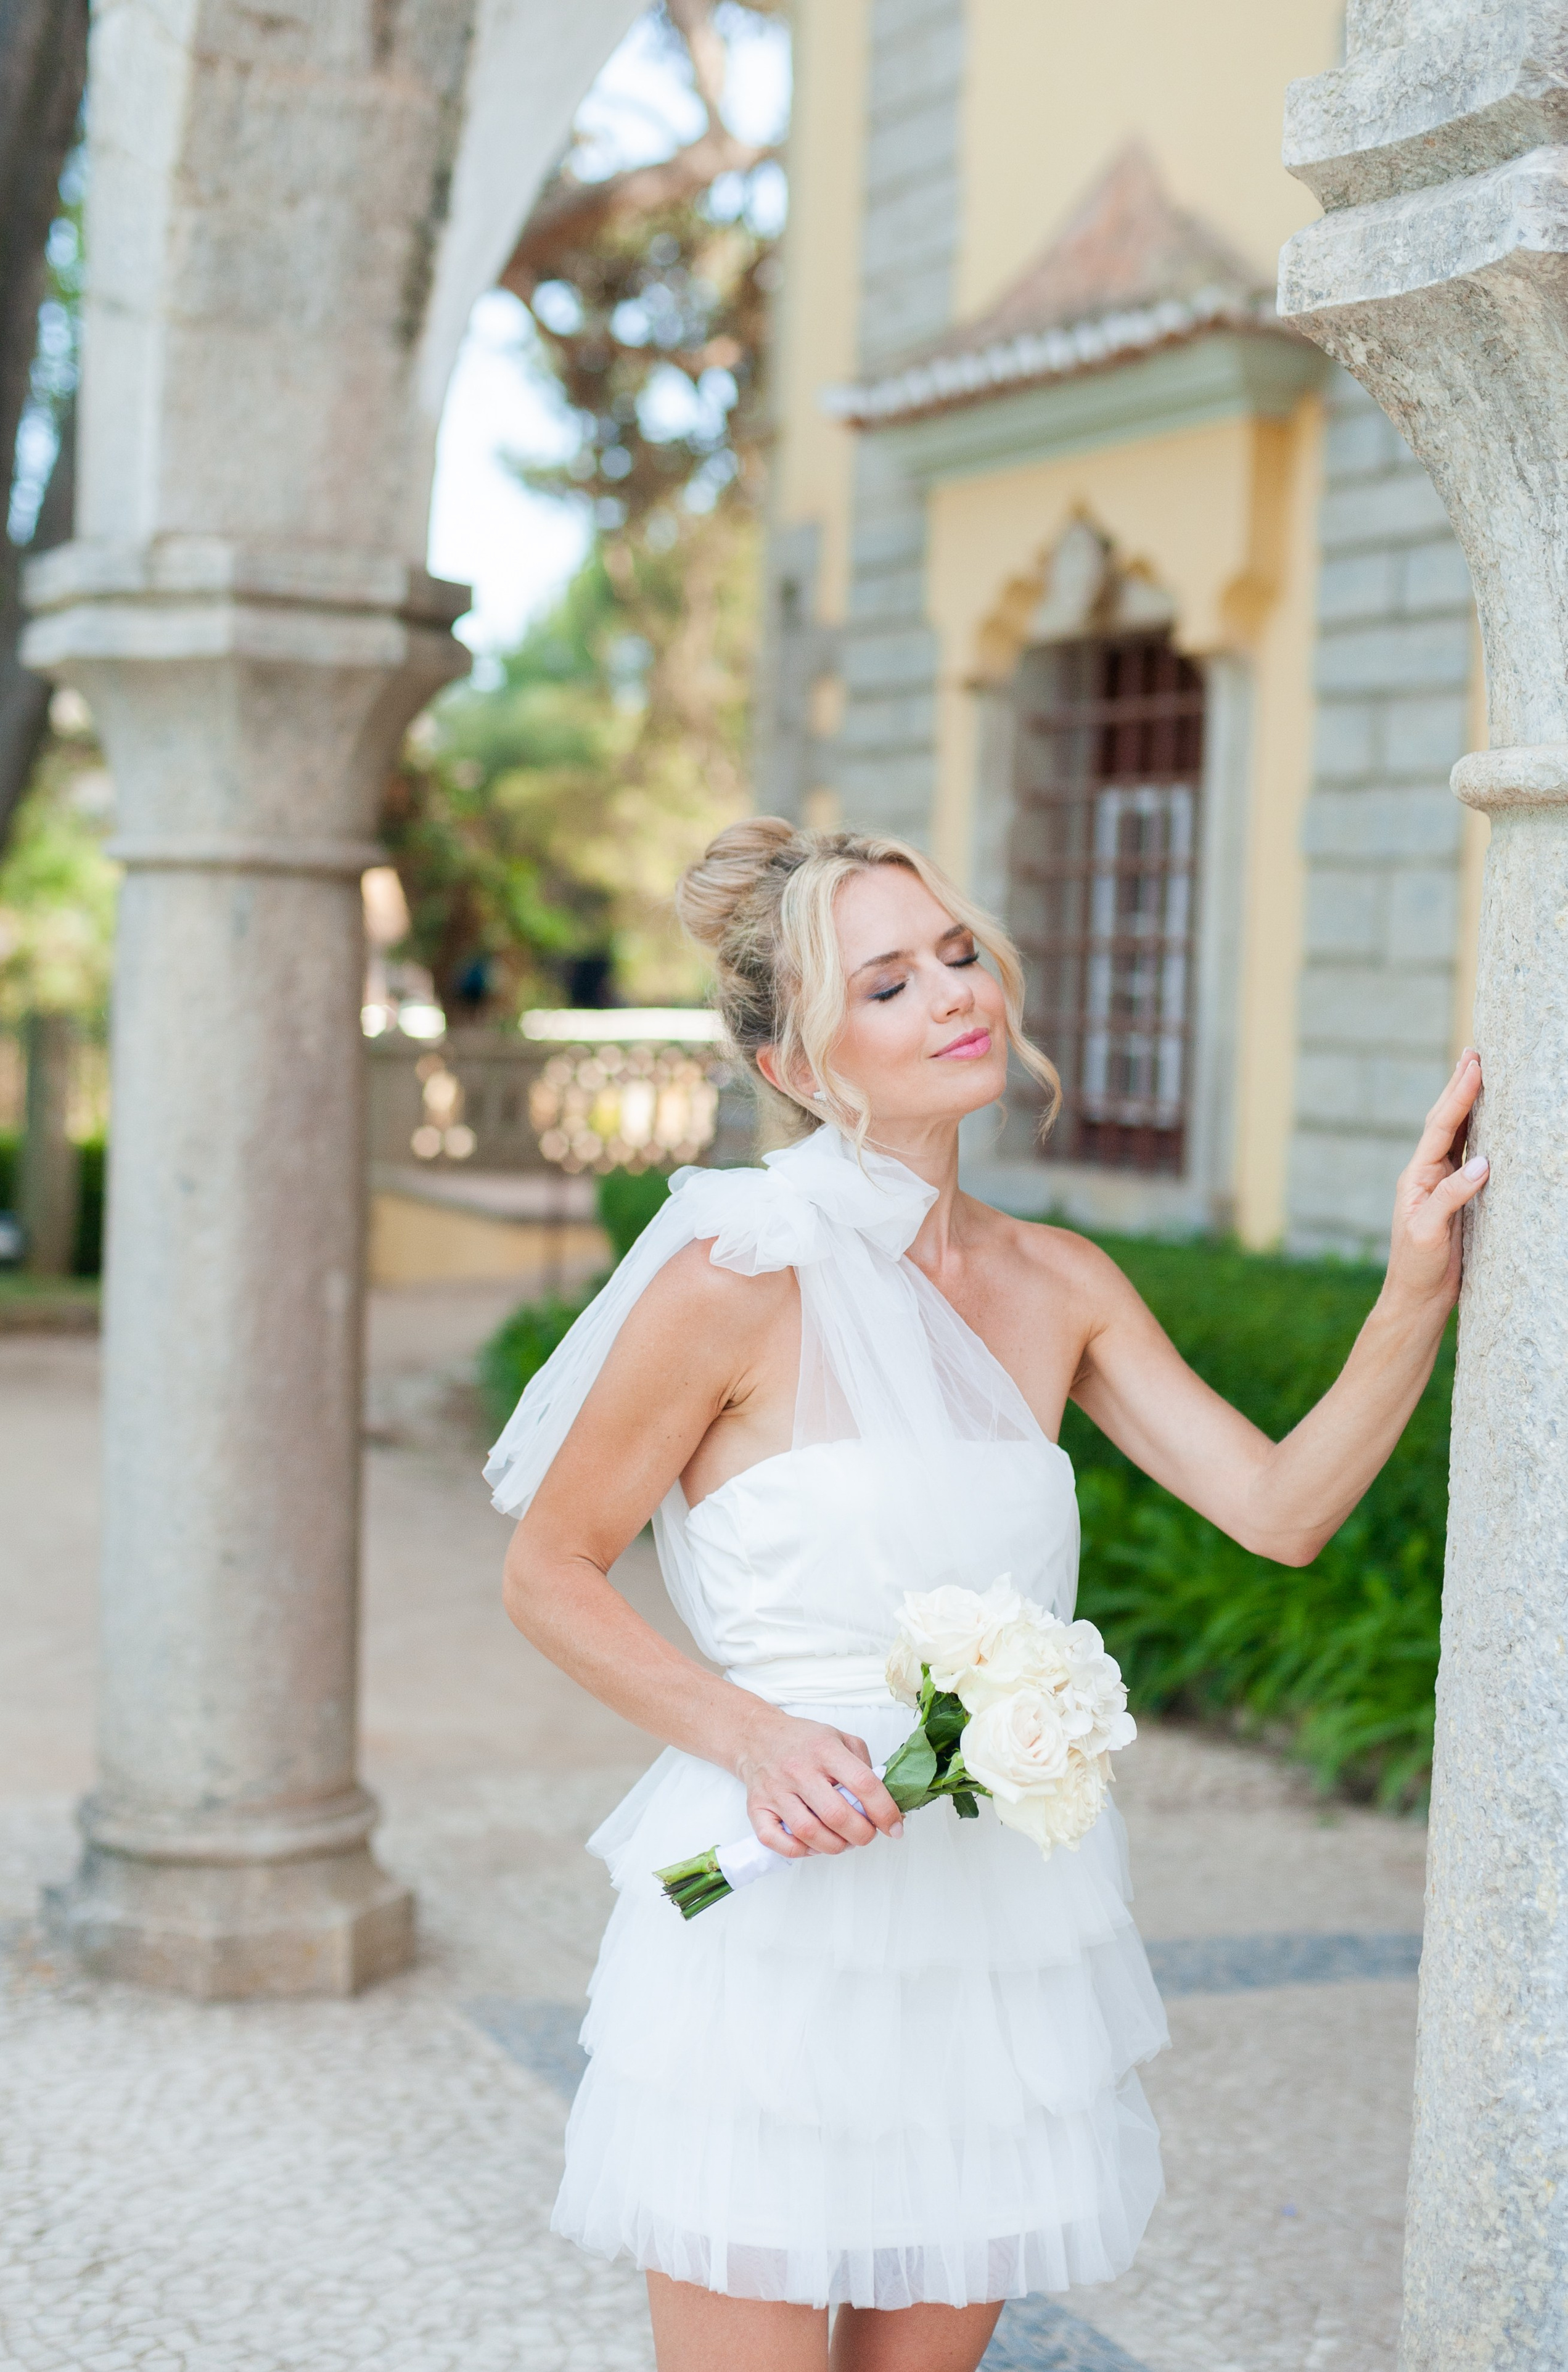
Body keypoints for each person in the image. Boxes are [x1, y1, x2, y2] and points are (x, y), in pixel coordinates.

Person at [490, 818, 1485, 2372]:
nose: (954, 994)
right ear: (799, 1059)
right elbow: (548, 1571)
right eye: (885, 982)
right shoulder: (735, 1279)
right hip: (771, 1907)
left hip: (991, 1921)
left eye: (955, 954)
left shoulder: (1062, 1282)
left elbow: (1281, 1512)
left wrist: (1413, 1282)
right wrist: (749, 1737)